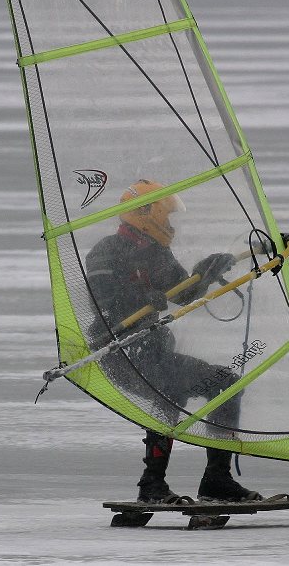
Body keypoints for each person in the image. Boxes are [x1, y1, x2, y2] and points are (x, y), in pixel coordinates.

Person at [86, 179, 262, 503]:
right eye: (166, 216)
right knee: (169, 391)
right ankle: (151, 486)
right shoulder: (106, 251)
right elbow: (102, 298)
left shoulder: (157, 252)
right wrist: (139, 297)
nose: (169, 224)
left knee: (226, 383)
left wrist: (207, 271)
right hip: (118, 353)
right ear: (146, 213)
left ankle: (216, 480)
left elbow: (186, 292)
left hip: (153, 352)